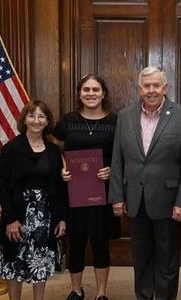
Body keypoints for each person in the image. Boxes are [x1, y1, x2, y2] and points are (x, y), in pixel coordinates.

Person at [109, 66, 181, 299]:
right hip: (135, 202)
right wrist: (117, 196)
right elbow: (117, 159)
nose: (151, 90)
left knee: (167, 261)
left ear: (165, 88)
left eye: (156, 85)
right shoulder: (125, 116)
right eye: (146, 86)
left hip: (169, 204)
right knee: (141, 259)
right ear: (139, 89)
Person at [53, 74, 119, 300]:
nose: (91, 94)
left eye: (95, 90)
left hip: (104, 190)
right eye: (86, 90)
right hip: (74, 192)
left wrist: (112, 169)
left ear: (103, 94)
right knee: (76, 240)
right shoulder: (67, 121)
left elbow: (124, 153)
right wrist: (61, 166)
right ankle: (75, 290)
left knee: (100, 241)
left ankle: (101, 293)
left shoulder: (115, 121)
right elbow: (52, 144)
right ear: (79, 94)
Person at [0, 100, 67, 300]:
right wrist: (10, 219)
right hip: (17, 215)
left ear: (47, 122)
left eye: (41, 116)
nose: (36, 120)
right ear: (24, 120)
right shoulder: (11, 148)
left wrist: (61, 218)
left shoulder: (54, 150)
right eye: (31, 116)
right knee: (13, 261)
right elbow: (2, 185)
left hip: (45, 217)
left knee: (41, 262)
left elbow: (60, 186)